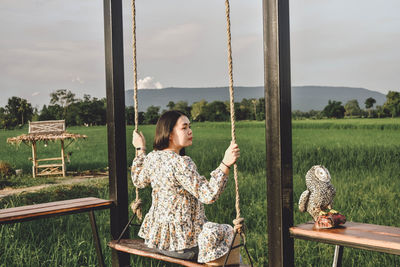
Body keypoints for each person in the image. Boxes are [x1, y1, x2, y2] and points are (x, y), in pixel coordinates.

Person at [131, 110, 240, 264]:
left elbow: (138, 180)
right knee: (231, 233)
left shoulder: (152, 158)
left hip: (159, 243)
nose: (190, 131)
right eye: (184, 128)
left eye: (190, 127)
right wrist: (225, 163)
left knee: (217, 233)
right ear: (169, 134)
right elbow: (209, 195)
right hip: (184, 248)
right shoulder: (181, 163)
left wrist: (140, 148)